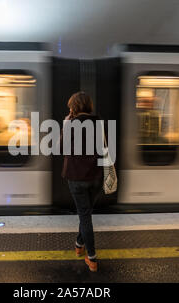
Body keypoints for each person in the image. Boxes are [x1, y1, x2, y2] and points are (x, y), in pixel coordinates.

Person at [60, 91, 104, 272]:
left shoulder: (71, 124)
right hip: (95, 177)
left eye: (71, 106)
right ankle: (79, 244)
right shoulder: (99, 123)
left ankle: (92, 258)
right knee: (85, 213)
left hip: (77, 178)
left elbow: (61, 148)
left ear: (75, 107)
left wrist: (65, 125)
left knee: (85, 216)